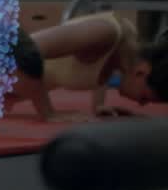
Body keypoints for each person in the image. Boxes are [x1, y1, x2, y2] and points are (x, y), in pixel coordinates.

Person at [27, 11, 168, 118]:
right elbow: (24, 49)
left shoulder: (125, 46)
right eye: (144, 98)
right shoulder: (104, 32)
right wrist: (48, 113)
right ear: (141, 72)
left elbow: (104, 62)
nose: (140, 104)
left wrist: (99, 105)